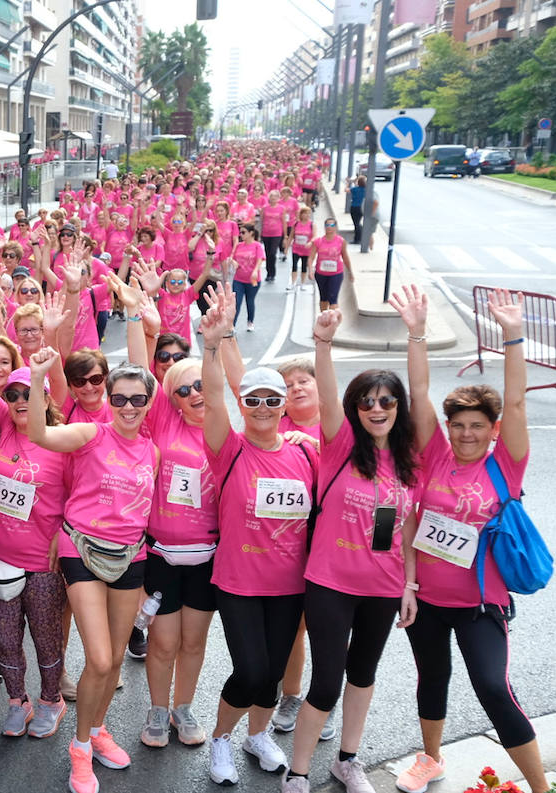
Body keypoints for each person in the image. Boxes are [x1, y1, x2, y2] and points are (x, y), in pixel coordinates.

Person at [390, 286, 547, 793]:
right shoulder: (435, 454)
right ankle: (430, 758)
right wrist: (416, 331)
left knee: (493, 690)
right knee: (431, 679)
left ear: (493, 430)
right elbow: (418, 391)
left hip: (482, 604)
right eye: (457, 426)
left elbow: (518, 403)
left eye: (476, 427)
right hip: (427, 599)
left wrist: (513, 335)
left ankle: (540, 786)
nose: (465, 435)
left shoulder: (506, 463)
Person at [281, 307, 420, 793]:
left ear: (398, 407)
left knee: (363, 675)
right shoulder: (339, 443)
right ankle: (297, 773)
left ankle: (347, 760)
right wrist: (323, 342)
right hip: (329, 584)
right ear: (353, 408)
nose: (376, 409)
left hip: (383, 588)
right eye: (366, 402)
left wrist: (409, 586)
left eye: (386, 401)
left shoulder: (408, 460)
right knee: (325, 683)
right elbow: (327, 389)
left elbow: (406, 529)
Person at [24, 341, 158, 793]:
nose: (127, 406)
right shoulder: (91, 433)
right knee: (99, 657)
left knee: (116, 659)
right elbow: (40, 435)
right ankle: (80, 749)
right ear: (109, 400)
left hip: (130, 557)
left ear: (148, 402)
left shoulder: (152, 452)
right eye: (118, 397)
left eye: (137, 399)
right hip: (81, 548)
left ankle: (99, 729)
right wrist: (40, 375)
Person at [199, 284, 316, 788]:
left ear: (284, 404)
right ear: (242, 404)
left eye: (273, 399)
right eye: (254, 400)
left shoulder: (305, 451)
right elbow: (212, 403)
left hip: (290, 583)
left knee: (270, 675)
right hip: (239, 582)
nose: (264, 407)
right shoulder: (230, 448)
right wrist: (211, 345)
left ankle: (258, 734)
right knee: (250, 670)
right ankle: (222, 738)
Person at [137, 357, 217, 750]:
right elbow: (142, 371)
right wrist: (137, 317)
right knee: (164, 641)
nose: (194, 394)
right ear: (173, 402)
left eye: (200, 384)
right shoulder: (166, 424)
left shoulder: (227, 431)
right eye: (183, 391)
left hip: (209, 556)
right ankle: (156, 709)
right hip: (162, 553)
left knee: (193, 642)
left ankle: (182, 707)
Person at [0, 367, 69, 740]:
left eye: (30, 393)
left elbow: (80, 496)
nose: (21, 401)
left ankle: (52, 700)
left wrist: (63, 534)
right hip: (0, 556)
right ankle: (17, 701)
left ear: (46, 398)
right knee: (4, 638)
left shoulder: (61, 441)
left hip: (42, 561)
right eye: (14, 394)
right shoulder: (0, 428)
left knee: (46, 637)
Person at [307, 218, 353, 312]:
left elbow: (345, 257)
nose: (329, 227)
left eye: (332, 225)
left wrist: (350, 271)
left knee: (333, 299)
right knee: (323, 298)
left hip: (336, 274)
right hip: (321, 274)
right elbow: (311, 257)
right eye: (327, 225)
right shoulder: (318, 241)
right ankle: (324, 318)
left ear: (335, 227)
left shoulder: (341, 241)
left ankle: (333, 322)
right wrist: (310, 270)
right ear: (324, 227)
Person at [348, 177, 365, 245]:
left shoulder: (355, 189)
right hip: (362, 207)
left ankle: (357, 239)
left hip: (354, 207)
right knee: (358, 222)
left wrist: (348, 183)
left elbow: (346, 190)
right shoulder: (366, 190)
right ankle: (360, 237)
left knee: (356, 223)